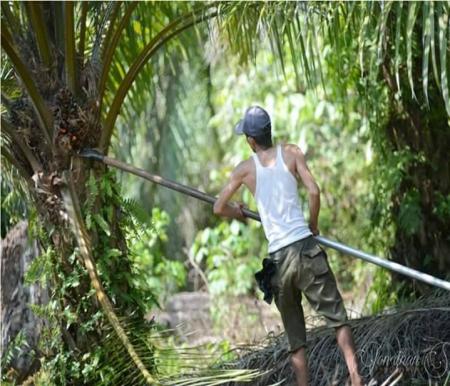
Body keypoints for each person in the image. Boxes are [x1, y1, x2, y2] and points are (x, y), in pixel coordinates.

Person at [213, 106, 364, 386]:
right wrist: (313, 225)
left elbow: (218, 207)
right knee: (338, 319)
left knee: (296, 340)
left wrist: (239, 210)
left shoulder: (245, 170)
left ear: (251, 140)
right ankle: (356, 378)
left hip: (279, 262)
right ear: (269, 132)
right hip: (307, 251)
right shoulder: (292, 153)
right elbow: (314, 191)